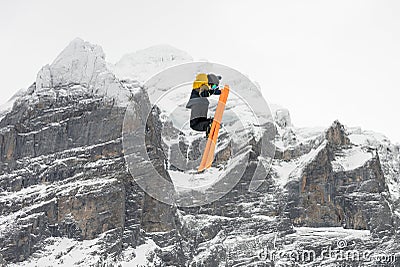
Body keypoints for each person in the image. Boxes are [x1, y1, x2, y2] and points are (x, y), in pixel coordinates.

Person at [186, 73, 222, 137]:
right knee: (199, 122)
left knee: (195, 124)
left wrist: (218, 91)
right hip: (200, 104)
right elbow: (204, 92)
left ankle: (209, 124)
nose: (214, 88)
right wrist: (214, 92)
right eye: (214, 86)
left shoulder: (204, 86)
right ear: (209, 83)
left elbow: (209, 91)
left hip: (197, 104)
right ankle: (209, 123)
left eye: (215, 87)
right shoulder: (204, 86)